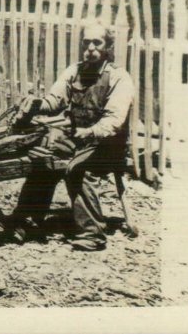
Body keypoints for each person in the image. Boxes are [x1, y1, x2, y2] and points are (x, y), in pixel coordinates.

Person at [11, 21, 134, 251]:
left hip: (108, 145)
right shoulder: (75, 70)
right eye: (86, 42)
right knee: (44, 158)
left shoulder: (119, 78)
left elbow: (114, 121)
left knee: (77, 168)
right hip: (78, 138)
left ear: (107, 46)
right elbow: (55, 101)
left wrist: (90, 132)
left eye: (97, 42)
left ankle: (92, 234)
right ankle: (27, 220)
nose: (91, 48)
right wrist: (35, 104)